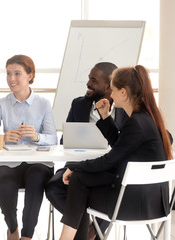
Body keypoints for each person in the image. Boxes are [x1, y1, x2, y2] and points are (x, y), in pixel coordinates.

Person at [56, 65, 173, 240]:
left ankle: (67, 238)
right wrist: (105, 116)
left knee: (78, 181)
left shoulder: (136, 123)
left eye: (113, 89)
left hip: (133, 204)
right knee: (79, 179)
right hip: (155, 202)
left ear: (123, 92)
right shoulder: (146, 118)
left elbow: (109, 160)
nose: (110, 94)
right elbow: (120, 145)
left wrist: (74, 166)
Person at [45, 62, 128, 240]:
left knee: (110, 195)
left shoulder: (125, 110)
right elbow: (64, 141)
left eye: (93, 80)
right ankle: (87, 231)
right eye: (88, 79)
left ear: (108, 86)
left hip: (109, 171)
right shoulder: (79, 104)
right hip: (79, 166)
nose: (88, 84)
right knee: (53, 187)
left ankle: (91, 233)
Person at [0, 55, 57, 240]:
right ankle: (12, 227)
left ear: (30, 76)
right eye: (8, 73)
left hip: (38, 162)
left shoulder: (43, 103)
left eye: (17, 74)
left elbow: (53, 138)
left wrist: (37, 137)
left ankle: (27, 236)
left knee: (36, 177)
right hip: (9, 162)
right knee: (4, 183)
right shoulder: (1, 104)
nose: (11, 79)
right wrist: (3, 137)